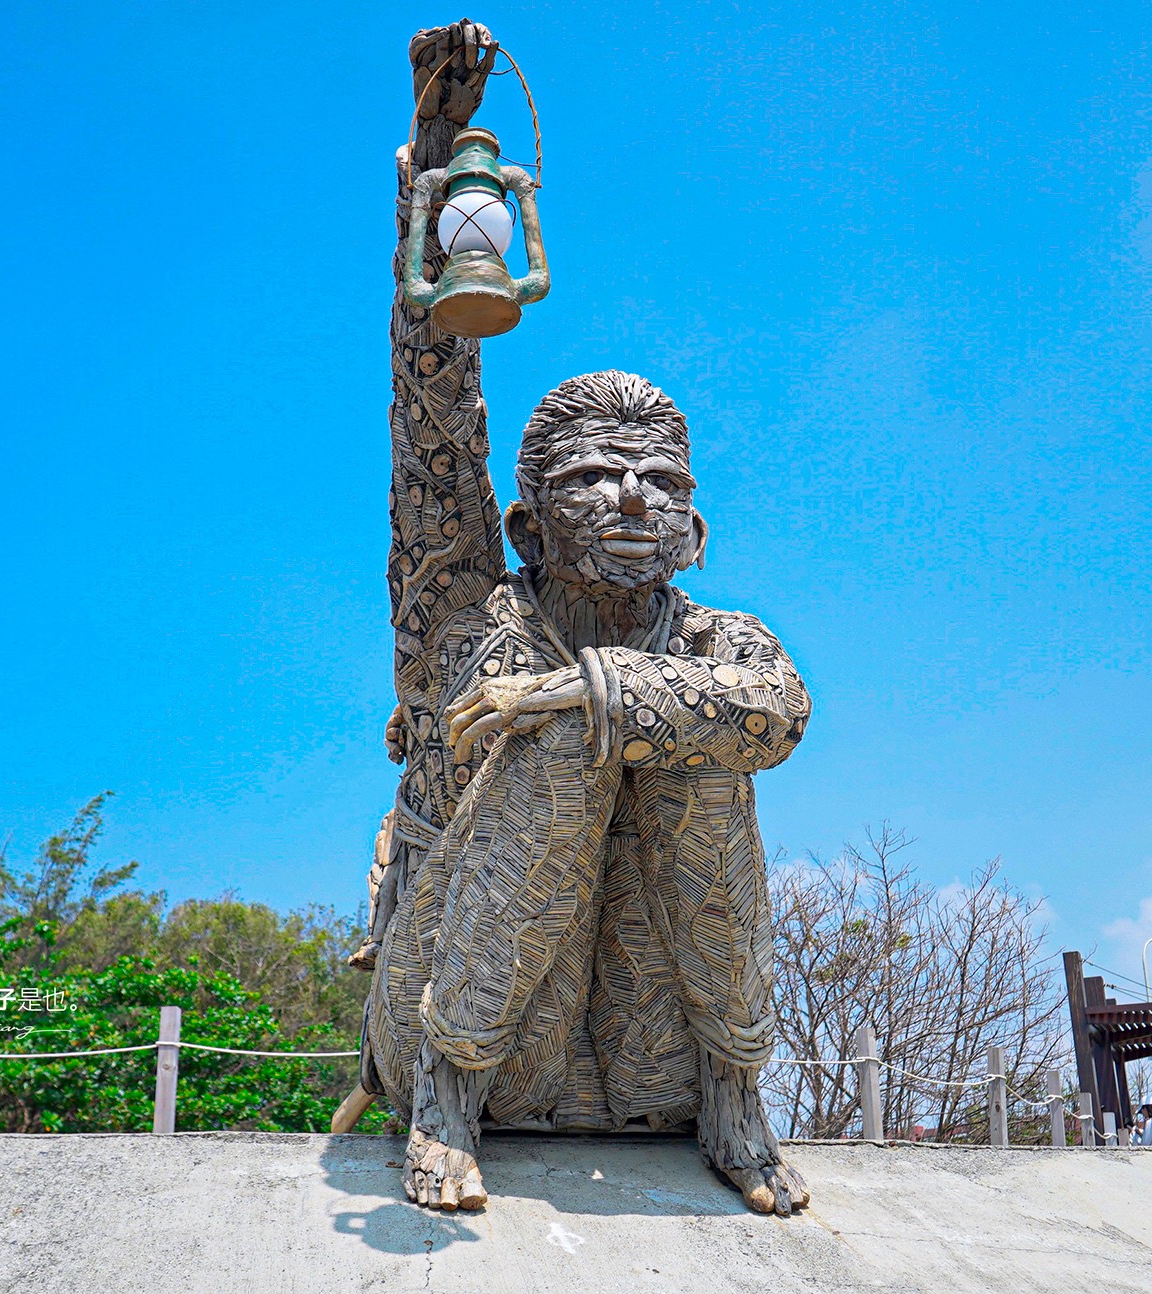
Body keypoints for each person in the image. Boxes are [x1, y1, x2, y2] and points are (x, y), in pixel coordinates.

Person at [353, 21, 811, 1217]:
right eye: (595, 478)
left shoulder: (722, 636)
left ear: (697, 527)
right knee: (564, 736)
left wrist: (583, 692)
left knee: (678, 728)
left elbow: (778, 710)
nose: (631, 500)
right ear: (524, 525)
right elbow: (433, 448)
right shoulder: (474, 611)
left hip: (653, 1057)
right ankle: (444, 1104)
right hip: (471, 1043)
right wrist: (435, 181)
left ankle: (737, 1094)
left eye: (662, 482)